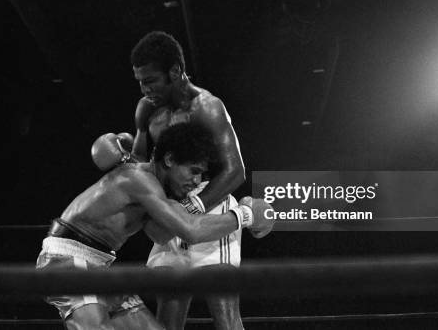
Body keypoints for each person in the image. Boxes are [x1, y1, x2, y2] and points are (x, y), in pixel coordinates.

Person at [36, 123, 271, 330]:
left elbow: (161, 233)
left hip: (98, 265)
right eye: (193, 171)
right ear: (169, 160)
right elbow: (192, 230)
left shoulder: (155, 192)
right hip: (67, 261)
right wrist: (246, 215)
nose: (197, 181)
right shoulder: (139, 180)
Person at [130, 31, 248, 330]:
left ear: (175, 71)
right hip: (169, 206)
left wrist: (191, 209)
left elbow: (235, 171)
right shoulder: (147, 109)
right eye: (140, 81)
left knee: (225, 316)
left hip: (210, 202)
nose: (145, 89)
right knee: (168, 313)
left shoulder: (207, 107)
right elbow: (139, 167)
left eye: (151, 80)